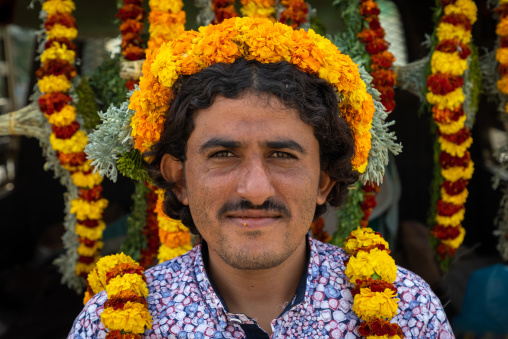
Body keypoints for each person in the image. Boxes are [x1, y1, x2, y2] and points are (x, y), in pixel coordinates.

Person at [69, 18, 454, 338]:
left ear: (324, 180)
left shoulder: (408, 310)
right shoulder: (108, 323)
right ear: (179, 178)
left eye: (282, 156)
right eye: (223, 155)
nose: (255, 190)